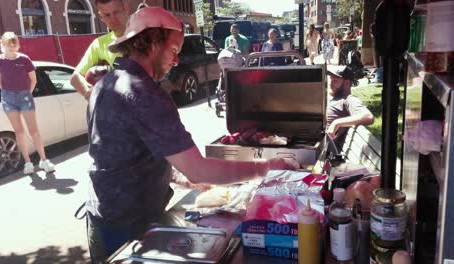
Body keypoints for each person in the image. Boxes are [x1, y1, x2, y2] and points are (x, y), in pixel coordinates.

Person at [85, 7, 295, 263]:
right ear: (152, 42)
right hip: (125, 227)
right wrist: (266, 167)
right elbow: (199, 169)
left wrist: (182, 179)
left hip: (100, 219)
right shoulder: (143, 93)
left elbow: (128, 153)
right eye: (174, 51)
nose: (176, 62)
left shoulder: (106, 83)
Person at [0, 32, 55, 175]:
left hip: (24, 96)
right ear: (3, 45)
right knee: (19, 132)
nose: (12, 46)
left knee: (34, 130)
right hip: (8, 98)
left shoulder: (25, 59)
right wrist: (9, 93)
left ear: (17, 45)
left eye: (14, 43)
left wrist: (27, 93)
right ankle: (28, 163)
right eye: (9, 44)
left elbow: (33, 79)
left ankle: (44, 160)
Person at [70, 0, 130, 100]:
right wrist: (90, 94)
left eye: (116, 12)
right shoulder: (98, 44)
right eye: (107, 15)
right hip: (118, 109)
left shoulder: (143, 37)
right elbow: (75, 77)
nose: (113, 19)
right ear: (101, 17)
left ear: (126, 9)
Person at [326, 65, 374, 152]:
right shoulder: (337, 98)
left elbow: (368, 117)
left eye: (335, 80)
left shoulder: (349, 99)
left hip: (323, 152)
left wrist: (336, 123)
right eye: (330, 78)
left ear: (346, 83)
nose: (330, 82)